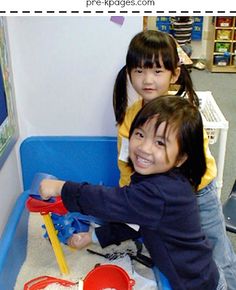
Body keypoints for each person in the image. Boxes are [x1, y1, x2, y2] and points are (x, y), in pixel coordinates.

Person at [40, 96, 226, 290]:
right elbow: (135, 221)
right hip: (191, 275)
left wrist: (61, 187)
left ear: (180, 158)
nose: (144, 148)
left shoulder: (161, 191)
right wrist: (93, 237)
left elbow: (107, 201)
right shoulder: (156, 179)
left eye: (160, 143)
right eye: (140, 134)